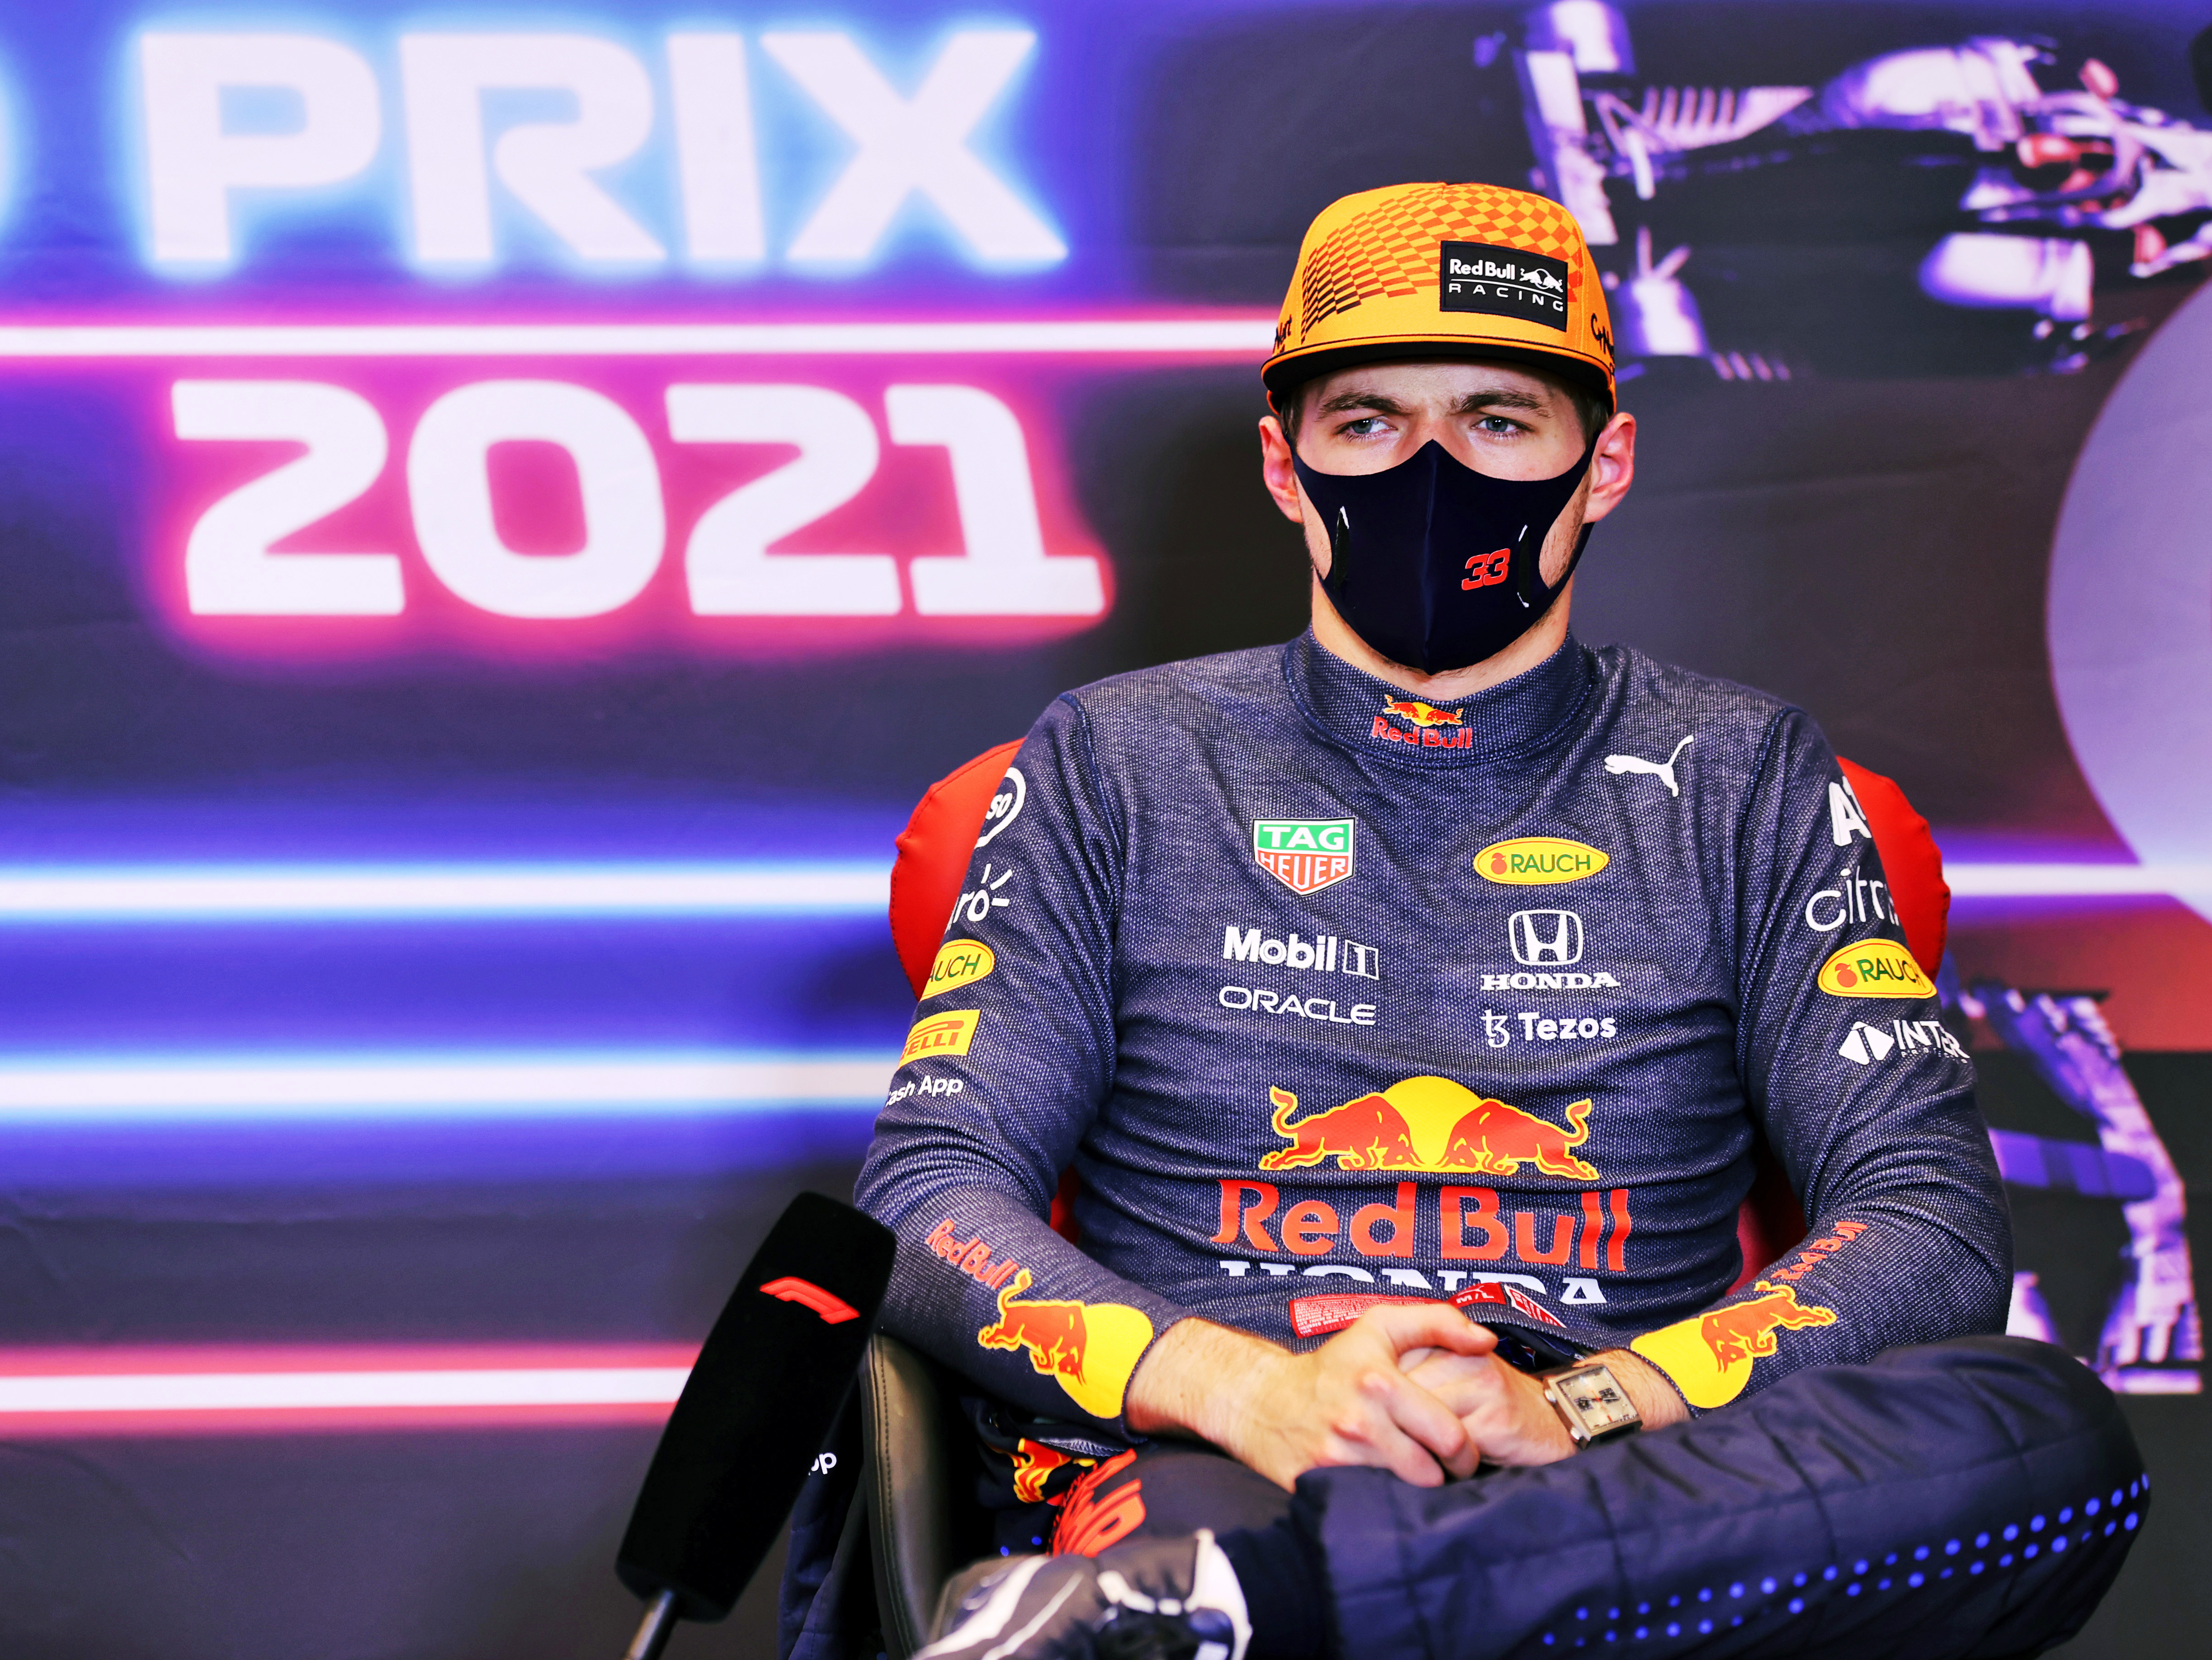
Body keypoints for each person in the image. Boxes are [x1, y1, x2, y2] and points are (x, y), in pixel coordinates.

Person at [856, 182, 2142, 1660]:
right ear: (1284, 464)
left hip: (1628, 1468)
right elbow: (926, 1196)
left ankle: (1271, 1615)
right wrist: (1248, 1388)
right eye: (1368, 423)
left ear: (1606, 463)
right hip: (1228, 1452)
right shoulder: (1115, 761)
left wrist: (1581, 1405)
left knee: (2052, 1434)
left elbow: (1930, 1225)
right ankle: (1293, 1593)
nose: (1433, 471)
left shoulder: (1749, 777)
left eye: (1498, 420)